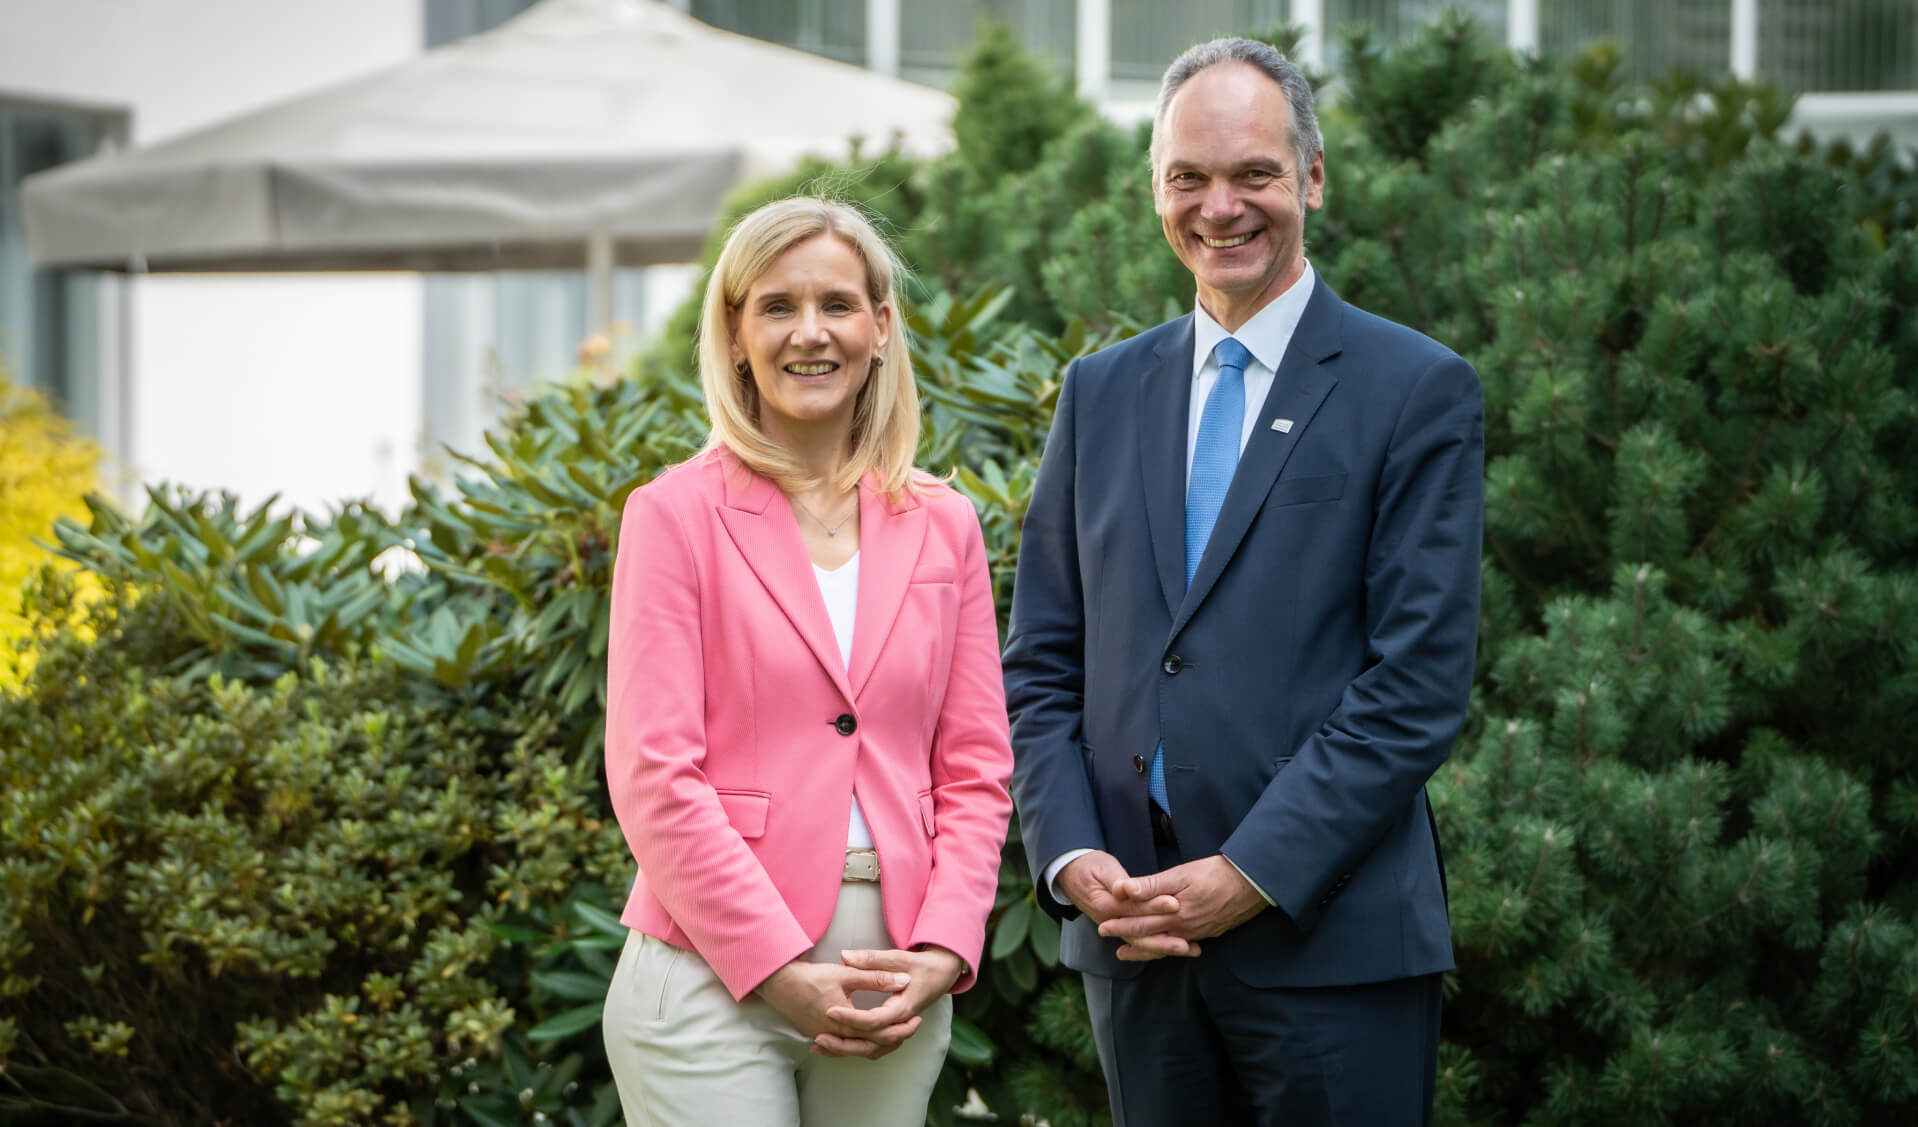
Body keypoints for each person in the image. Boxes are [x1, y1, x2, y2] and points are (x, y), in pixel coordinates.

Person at [1002, 37, 1484, 1126]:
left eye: (1253, 174)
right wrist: (1074, 853)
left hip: (1330, 945)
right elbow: (1041, 661)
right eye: (1188, 178)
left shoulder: (1415, 388)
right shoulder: (1099, 393)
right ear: (1155, 190)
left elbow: (1413, 685)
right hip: (1136, 943)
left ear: (1311, 178)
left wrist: (1250, 871)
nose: (1220, 207)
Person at [601, 196, 1014, 1126]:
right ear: (736, 336)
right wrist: (775, 969)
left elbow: (977, 767)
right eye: (777, 307)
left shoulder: (943, 522)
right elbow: (654, 774)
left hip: (893, 983)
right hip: (708, 976)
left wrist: (946, 948)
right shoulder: (673, 516)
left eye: (836, 303)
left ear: (880, 326)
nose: (809, 332)